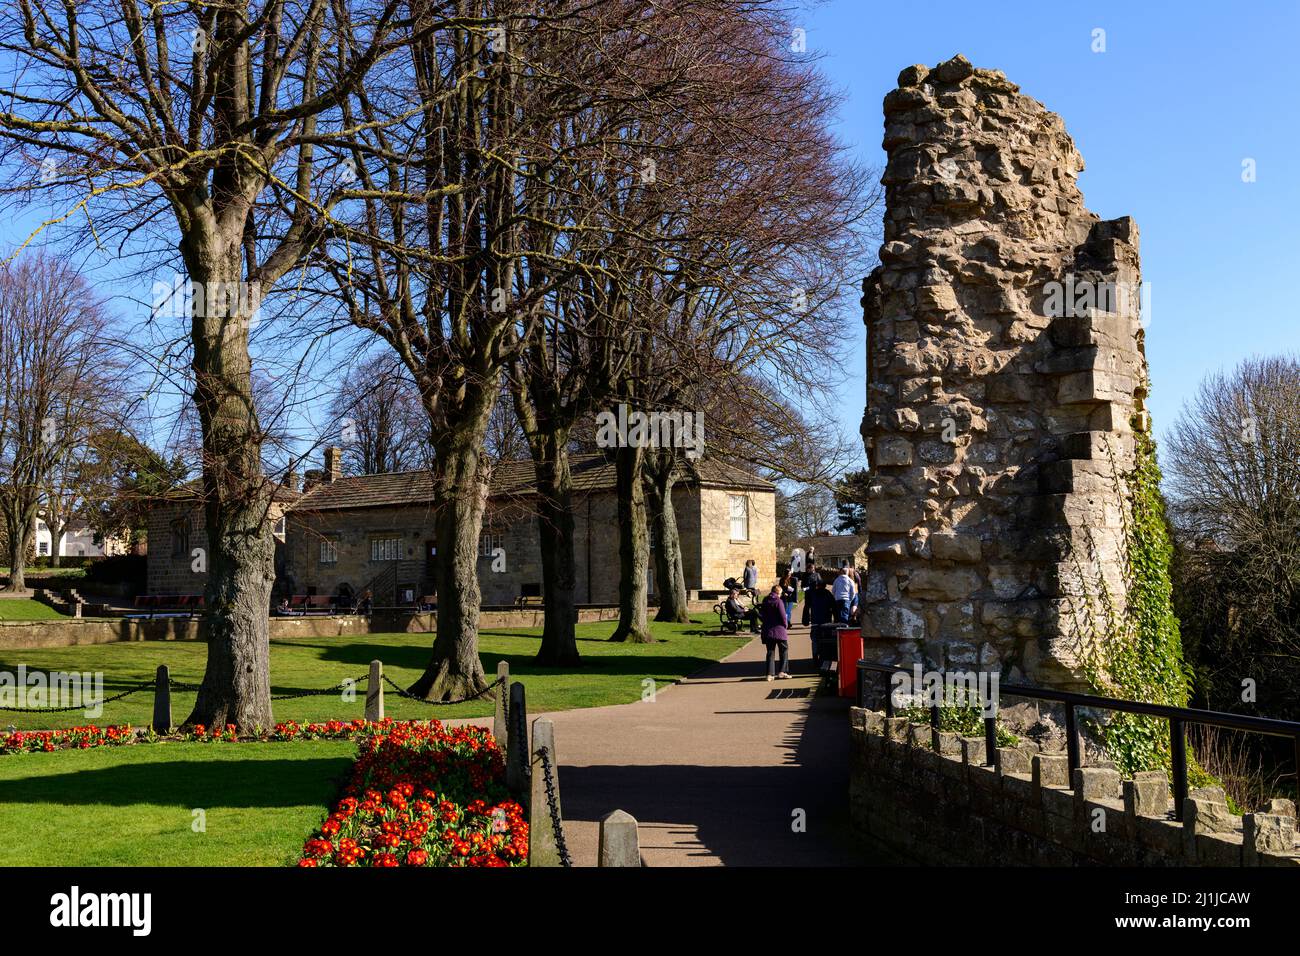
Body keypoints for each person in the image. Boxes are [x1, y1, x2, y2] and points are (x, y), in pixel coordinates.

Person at [759, 584, 791, 681]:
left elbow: (762, 615)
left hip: (768, 630)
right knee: (784, 650)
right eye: (780, 593)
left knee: (770, 652)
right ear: (778, 592)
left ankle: (769, 674)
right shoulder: (778, 601)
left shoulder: (765, 601)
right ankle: (782, 671)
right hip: (779, 630)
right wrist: (785, 625)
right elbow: (783, 616)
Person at [802, 578, 838, 661]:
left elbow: (807, 607)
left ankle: (815, 656)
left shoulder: (812, 594)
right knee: (826, 640)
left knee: (815, 640)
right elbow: (834, 607)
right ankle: (824, 656)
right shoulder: (828, 594)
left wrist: (805, 620)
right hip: (826, 622)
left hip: (815, 621)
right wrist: (836, 619)